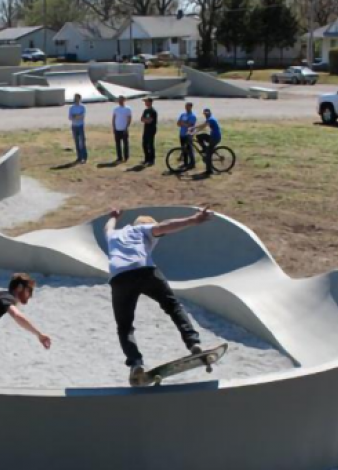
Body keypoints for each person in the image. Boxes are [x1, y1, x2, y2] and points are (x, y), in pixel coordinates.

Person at [104, 206, 214, 386]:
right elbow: (166, 226)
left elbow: (107, 227)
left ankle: (135, 363)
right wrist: (194, 219)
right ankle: (193, 342)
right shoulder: (142, 228)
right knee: (173, 306)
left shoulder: (113, 235)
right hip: (145, 271)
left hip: (119, 278)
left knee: (124, 327)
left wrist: (114, 216)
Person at [192, 108, 222, 176]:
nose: (205, 115)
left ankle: (209, 171)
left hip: (215, 138)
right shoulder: (209, 118)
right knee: (200, 136)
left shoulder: (211, 119)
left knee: (208, 154)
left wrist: (194, 129)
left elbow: (203, 126)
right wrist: (194, 130)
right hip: (212, 136)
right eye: (204, 114)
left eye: (206, 114)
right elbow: (203, 125)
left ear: (209, 113)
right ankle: (204, 149)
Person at [176, 102, 197, 169]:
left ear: (191, 107)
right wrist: (184, 123)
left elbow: (190, 125)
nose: (186, 108)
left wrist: (183, 123)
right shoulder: (183, 114)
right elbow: (178, 123)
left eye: (187, 106)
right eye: (185, 106)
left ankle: (192, 164)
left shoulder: (193, 116)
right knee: (183, 149)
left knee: (189, 150)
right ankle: (185, 163)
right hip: (182, 134)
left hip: (188, 135)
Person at [68, 94, 88, 163]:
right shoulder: (71, 107)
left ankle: (84, 157)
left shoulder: (82, 107)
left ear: (79, 99)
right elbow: (70, 117)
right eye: (75, 98)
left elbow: (82, 117)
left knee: (82, 142)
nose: (76, 99)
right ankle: (79, 157)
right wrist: (77, 116)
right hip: (74, 126)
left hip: (80, 126)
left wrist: (75, 116)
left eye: (77, 98)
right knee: (76, 142)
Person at [112, 95, 132, 163]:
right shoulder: (116, 109)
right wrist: (114, 128)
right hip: (117, 129)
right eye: (119, 100)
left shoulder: (128, 109)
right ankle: (119, 157)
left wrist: (126, 127)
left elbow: (129, 119)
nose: (120, 101)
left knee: (125, 144)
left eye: (121, 100)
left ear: (124, 100)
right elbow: (114, 119)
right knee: (118, 144)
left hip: (124, 129)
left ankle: (126, 157)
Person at [140, 97, 158, 166]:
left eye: (146, 101)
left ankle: (152, 160)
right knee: (144, 144)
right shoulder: (145, 110)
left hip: (151, 129)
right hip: (146, 129)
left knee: (150, 145)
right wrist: (146, 120)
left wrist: (146, 120)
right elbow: (142, 119)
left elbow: (150, 121)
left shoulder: (153, 111)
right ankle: (146, 159)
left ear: (150, 102)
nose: (145, 103)